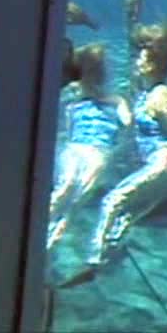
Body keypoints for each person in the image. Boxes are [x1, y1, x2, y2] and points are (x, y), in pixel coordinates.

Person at [64, 18, 167, 282]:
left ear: (153, 62)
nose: (137, 59)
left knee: (113, 200)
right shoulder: (145, 92)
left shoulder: (160, 94)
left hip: (163, 164)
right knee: (126, 216)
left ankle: (94, 260)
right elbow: (132, 54)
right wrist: (131, 14)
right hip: (159, 166)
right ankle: (102, 261)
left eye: (142, 55)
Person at [47, 42, 131, 250]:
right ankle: (43, 227)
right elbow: (69, 134)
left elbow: (128, 122)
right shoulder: (73, 104)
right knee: (66, 188)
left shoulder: (115, 101)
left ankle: (51, 239)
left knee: (77, 196)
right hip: (77, 149)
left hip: (98, 152)